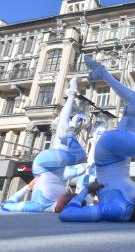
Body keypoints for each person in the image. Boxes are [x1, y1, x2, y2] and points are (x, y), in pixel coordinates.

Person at [59, 56, 135, 223]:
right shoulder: (128, 205)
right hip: (118, 154)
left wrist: (86, 191)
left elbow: (66, 215)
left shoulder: (117, 210)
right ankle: (102, 73)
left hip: (110, 151)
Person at [1, 78, 87, 213]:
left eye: (69, 199)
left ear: (63, 207)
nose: (70, 195)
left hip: (43, 166)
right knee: (62, 128)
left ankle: (70, 130)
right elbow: (74, 173)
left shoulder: (38, 206)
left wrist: (27, 187)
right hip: (57, 167)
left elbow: (6, 205)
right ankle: (71, 94)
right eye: (72, 197)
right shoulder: (62, 198)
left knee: (80, 155)